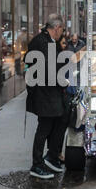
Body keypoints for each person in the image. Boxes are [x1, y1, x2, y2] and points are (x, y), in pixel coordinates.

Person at [25, 14, 69, 179]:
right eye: (62, 30)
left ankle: (52, 156)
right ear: (56, 28)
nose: (62, 34)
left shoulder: (51, 42)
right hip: (43, 93)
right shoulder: (41, 42)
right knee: (44, 127)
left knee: (61, 118)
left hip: (52, 91)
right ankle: (36, 165)